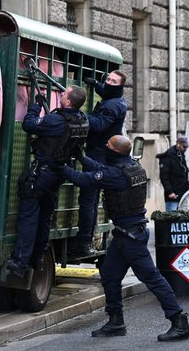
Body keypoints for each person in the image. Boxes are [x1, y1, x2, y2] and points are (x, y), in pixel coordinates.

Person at [63, 135, 189, 341]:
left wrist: (58, 165)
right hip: (125, 234)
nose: (105, 146)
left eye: (108, 145)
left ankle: (179, 321)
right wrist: (81, 157)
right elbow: (99, 170)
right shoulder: (132, 167)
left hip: (131, 237)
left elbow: (83, 179)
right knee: (109, 276)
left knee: (152, 279)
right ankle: (116, 322)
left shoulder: (116, 174)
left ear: (115, 152)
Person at [6, 85, 89, 278]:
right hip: (58, 174)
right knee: (44, 218)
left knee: (29, 218)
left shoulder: (56, 120)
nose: (61, 93)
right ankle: (38, 257)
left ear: (68, 102)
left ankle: (19, 262)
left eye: (64, 93)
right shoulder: (82, 121)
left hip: (42, 174)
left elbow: (28, 124)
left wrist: (35, 106)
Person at [70, 70, 127, 258]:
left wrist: (79, 114)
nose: (108, 82)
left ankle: (84, 242)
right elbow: (107, 92)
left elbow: (100, 125)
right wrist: (96, 84)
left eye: (113, 81)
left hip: (99, 154)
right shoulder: (115, 98)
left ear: (119, 86)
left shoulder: (113, 106)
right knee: (90, 200)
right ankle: (86, 240)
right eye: (108, 79)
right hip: (98, 152)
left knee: (88, 200)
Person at [156, 136, 189, 212]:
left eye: (186, 147)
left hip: (183, 193)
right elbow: (164, 176)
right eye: (184, 147)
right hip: (173, 195)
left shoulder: (181, 155)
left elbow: (184, 173)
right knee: (171, 218)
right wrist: (170, 192)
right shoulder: (168, 156)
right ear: (178, 144)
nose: (185, 149)